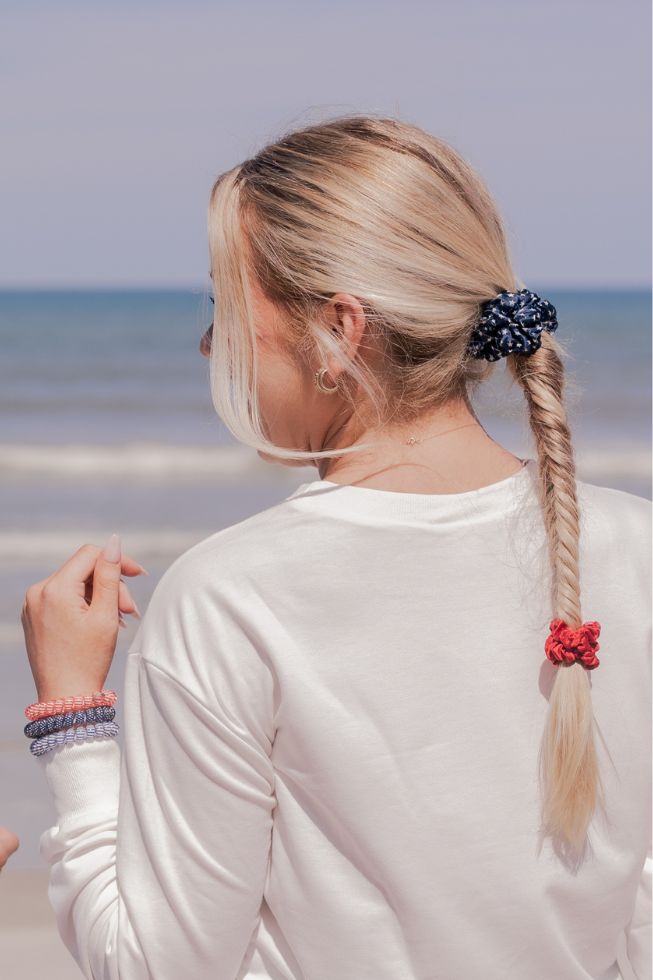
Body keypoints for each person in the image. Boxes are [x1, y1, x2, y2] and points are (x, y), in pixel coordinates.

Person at [21, 114, 650, 979]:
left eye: (225, 308)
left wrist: (73, 717)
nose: (210, 344)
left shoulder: (232, 595)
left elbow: (160, 968)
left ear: (339, 332)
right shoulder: (634, 545)